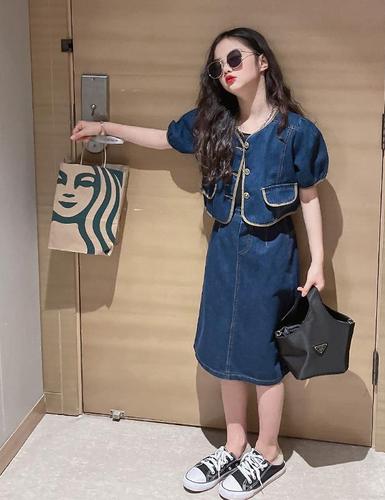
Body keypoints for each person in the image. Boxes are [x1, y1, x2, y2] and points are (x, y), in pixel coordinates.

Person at [70, 26, 328, 500]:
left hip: (273, 256)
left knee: (265, 355)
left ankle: (268, 452)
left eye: (235, 59)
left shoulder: (296, 132)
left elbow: (309, 196)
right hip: (224, 251)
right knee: (225, 349)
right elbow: (163, 138)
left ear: (262, 62)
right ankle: (234, 444)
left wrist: (318, 262)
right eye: (218, 66)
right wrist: (105, 128)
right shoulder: (214, 124)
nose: (226, 70)